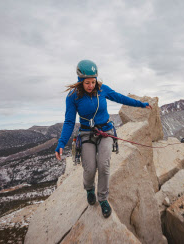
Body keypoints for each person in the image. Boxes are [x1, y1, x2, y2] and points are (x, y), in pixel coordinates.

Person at [55, 60, 152, 218]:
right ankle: (89, 189)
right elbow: (69, 121)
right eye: (87, 83)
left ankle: (103, 199)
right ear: (80, 81)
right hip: (87, 134)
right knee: (90, 168)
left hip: (105, 132)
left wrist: (141, 104)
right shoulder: (73, 97)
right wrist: (61, 142)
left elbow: (121, 98)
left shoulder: (102, 90)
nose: (91, 85)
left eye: (93, 82)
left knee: (104, 165)